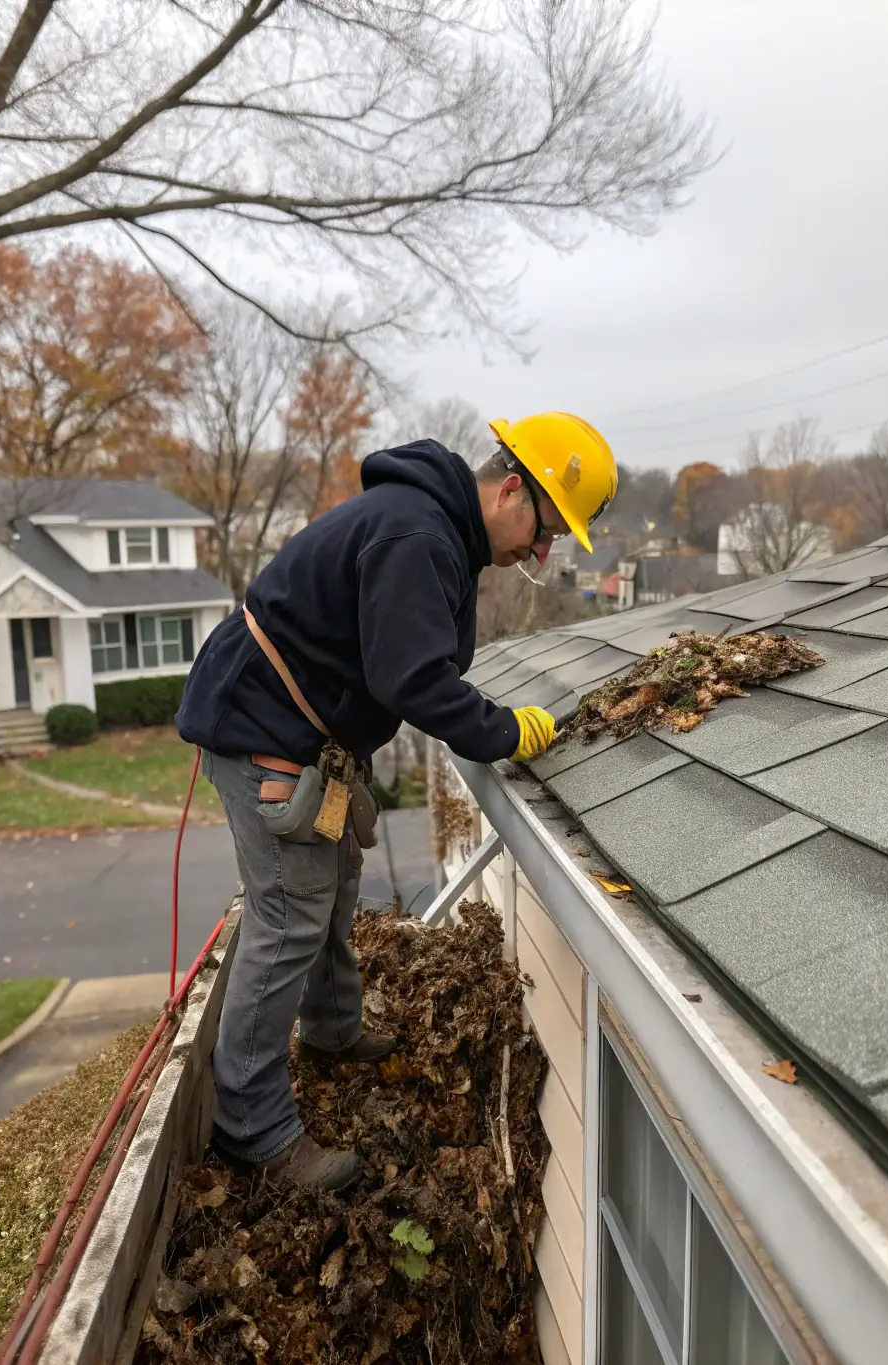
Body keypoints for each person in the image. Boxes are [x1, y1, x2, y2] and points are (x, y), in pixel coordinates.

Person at [176, 411, 617, 1190]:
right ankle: (252, 1124)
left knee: (335, 878)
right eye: (544, 531)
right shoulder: (419, 536)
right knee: (287, 919)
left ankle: (333, 1031)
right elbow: (412, 679)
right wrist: (505, 729)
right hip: (262, 729)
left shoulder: (434, 527)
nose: (539, 553)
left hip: (300, 731)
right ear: (512, 486)